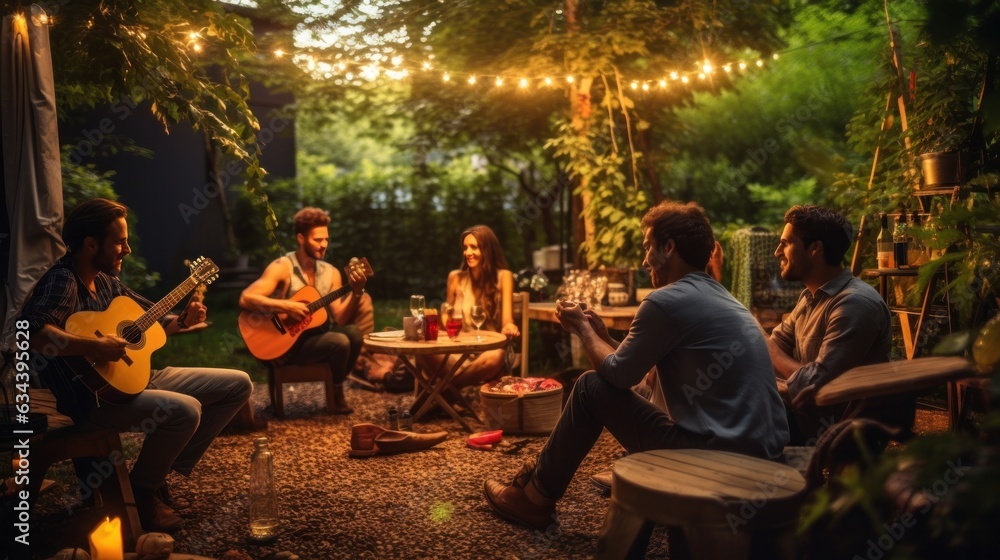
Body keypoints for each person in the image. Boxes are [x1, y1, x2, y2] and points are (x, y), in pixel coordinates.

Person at [483, 201, 789, 530]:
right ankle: (538, 486)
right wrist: (602, 335)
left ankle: (534, 499)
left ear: (669, 247)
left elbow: (617, 375)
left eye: (647, 248)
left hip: (715, 458)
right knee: (630, 386)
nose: (644, 261)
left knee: (588, 387)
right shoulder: (725, 299)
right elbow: (636, 370)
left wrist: (582, 330)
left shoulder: (665, 301)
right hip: (763, 453)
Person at [18, 198, 252, 533]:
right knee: (185, 410)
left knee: (238, 385)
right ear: (90, 244)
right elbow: (32, 331)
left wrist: (183, 319)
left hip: (134, 379)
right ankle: (142, 492)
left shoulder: (108, 280)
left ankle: (160, 476)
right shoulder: (64, 280)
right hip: (93, 399)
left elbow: (150, 322)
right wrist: (95, 346)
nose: (126, 249)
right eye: (119, 241)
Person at [764, 205, 912, 444]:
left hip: (828, 430)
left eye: (786, 243)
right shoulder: (810, 297)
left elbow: (815, 384)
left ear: (815, 248)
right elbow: (776, 344)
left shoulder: (855, 304)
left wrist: (763, 344)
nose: (777, 252)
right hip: (797, 414)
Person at [239, 207, 370, 414]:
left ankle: (335, 387)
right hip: (282, 343)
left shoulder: (331, 273)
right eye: (318, 240)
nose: (324, 245)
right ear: (301, 238)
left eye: (326, 239)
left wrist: (356, 292)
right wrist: (286, 305)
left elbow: (342, 319)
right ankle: (335, 389)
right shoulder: (282, 266)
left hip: (312, 340)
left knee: (352, 333)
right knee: (340, 341)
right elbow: (247, 298)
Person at [420, 225, 520, 389]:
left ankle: (443, 393)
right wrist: (445, 320)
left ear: (487, 250)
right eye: (465, 247)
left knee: (496, 356)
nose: (467, 252)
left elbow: (507, 321)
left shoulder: (504, 277)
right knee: (421, 352)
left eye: (474, 247)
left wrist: (510, 327)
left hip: (487, 351)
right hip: (457, 350)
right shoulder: (456, 278)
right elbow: (447, 316)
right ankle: (452, 391)